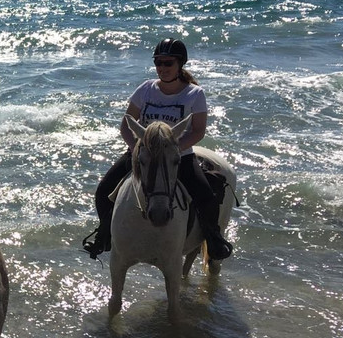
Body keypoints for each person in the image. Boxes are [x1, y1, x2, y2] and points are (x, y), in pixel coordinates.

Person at [83, 37, 233, 262]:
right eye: (158, 63)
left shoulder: (194, 94)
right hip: (142, 155)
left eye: (168, 63)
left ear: (180, 64)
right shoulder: (145, 89)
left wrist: (169, 152)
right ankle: (104, 236)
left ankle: (214, 240)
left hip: (178, 157)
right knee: (104, 191)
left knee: (207, 196)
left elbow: (198, 131)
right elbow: (126, 124)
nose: (162, 68)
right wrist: (137, 149)